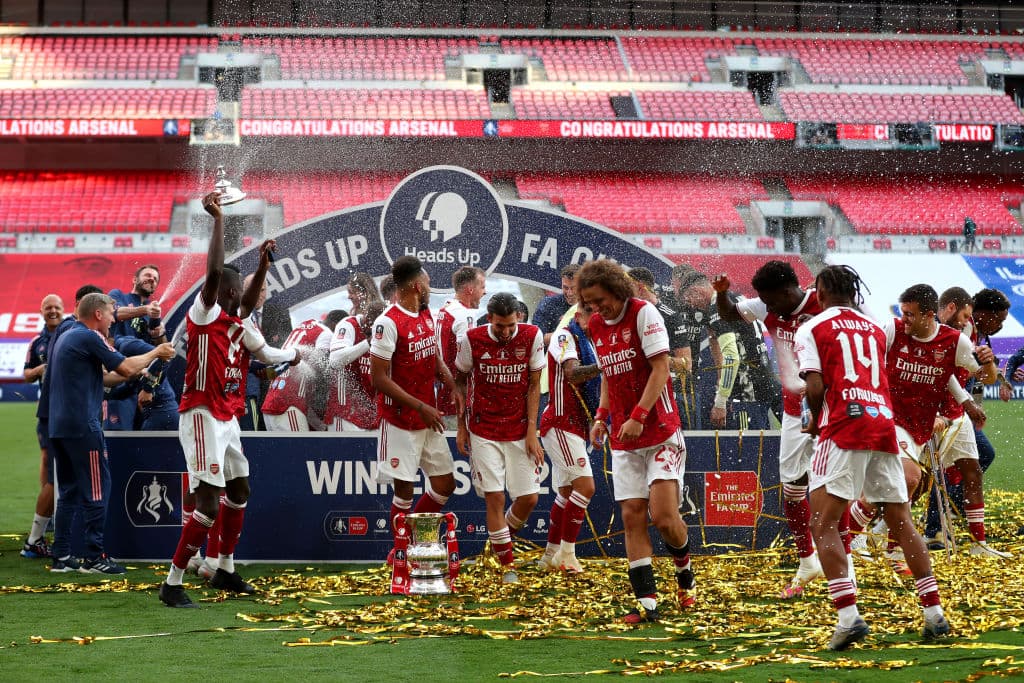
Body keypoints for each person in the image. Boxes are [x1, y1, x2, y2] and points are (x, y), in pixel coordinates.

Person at [794, 265, 949, 650]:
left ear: (822, 292)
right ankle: (934, 612)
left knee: (823, 522)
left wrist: (814, 420)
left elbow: (815, 384)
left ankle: (848, 617)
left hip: (843, 426)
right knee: (901, 521)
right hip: (883, 423)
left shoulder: (811, 328)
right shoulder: (876, 326)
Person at [159, 192, 299, 608]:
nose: (243, 296)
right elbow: (215, 269)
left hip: (227, 417)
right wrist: (218, 219)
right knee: (206, 503)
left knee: (240, 490)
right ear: (224, 290)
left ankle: (225, 568)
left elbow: (267, 345)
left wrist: (261, 265)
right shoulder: (204, 315)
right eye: (235, 290)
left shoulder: (240, 324)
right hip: (201, 415)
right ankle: (173, 582)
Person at [846, 284, 1003, 568]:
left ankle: (866, 541)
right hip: (890, 417)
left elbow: (986, 377)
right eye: (902, 312)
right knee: (908, 477)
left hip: (923, 423)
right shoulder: (891, 330)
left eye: (910, 314)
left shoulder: (954, 342)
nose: (903, 318)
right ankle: (854, 540)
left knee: (895, 484)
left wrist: (989, 366)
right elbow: (863, 360)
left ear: (928, 315)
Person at [577, 260, 693, 623]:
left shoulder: (644, 314)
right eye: (590, 303)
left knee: (663, 516)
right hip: (624, 435)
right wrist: (601, 416)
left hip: (659, 430)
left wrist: (638, 416)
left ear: (616, 288)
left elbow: (661, 369)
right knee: (631, 516)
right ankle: (647, 604)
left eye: (600, 300)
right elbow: (610, 375)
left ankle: (684, 573)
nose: (597, 308)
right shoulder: (596, 325)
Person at [714, 260, 825, 598]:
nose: (766, 307)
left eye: (770, 300)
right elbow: (732, 314)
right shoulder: (767, 302)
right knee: (792, 487)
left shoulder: (824, 305)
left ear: (789, 290)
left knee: (831, 486)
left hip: (831, 409)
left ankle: (843, 563)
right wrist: (721, 295)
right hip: (794, 410)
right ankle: (808, 560)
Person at [48, 292, 175, 573]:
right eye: (110, 314)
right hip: (84, 426)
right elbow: (126, 365)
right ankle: (94, 557)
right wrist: (156, 352)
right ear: (97, 315)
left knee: (68, 491)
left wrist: (137, 375)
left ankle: (61, 555)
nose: (112, 321)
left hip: (60, 427)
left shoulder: (70, 335)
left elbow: (108, 377)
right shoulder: (90, 337)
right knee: (97, 489)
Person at [370, 256, 463, 561]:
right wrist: (421, 405)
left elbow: (433, 358)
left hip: (427, 417)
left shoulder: (426, 315)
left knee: (445, 483)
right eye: (426, 280)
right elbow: (379, 379)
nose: (428, 285)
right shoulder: (387, 322)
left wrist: (452, 385)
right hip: (400, 421)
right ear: (415, 285)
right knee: (404, 492)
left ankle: (409, 546)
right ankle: (399, 555)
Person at [455, 292, 545, 583]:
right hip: (483, 429)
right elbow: (459, 380)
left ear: (518, 316)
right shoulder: (472, 339)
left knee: (529, 498)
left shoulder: (532, 336)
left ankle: (497, 545)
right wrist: (460, 426)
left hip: (520, 429)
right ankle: (508, 567)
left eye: (510, 325)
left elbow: (534, 387)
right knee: (494, 497)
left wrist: (533, 431)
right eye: (499, 326)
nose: (506, 332)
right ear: (490, 319)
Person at [922, 288, 1009, 555]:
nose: (1001, 325)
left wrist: (991, 377)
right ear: (981, 314)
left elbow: (985, 375)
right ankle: (935, 524)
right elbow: (955, 372)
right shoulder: (964, 331)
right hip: (941, 411)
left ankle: (945, 522)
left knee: (969, 464)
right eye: (999, 319)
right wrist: (968, 403)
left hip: (955, 409)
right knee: (922, 474)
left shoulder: (978, 335)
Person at [538, 301, 602, 573]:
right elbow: (573, 374)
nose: (596, 320)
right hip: (561, 422)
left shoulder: (591, 340)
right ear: (578, 315)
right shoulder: (565, 335)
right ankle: (566, 554)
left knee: (566, 492)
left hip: (576, 425)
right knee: (585, 487)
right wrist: (605, 367)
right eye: (591, 314)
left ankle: (550, 555)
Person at [677, 269, 781, 427]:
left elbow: (732, 357)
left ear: (695, 291)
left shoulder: (717, 307)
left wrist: (720, 402)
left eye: (689, 299)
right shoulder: (730, 296)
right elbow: (717, 340)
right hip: (766, 380)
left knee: (750, 448)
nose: (692, 305)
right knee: (777, 442)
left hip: (748, 392)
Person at [20, 293, 65, 559]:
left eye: (56, 307)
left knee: (55, 472)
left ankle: (47, 524)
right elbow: (26, 374)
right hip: (49, 415)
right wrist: (41, 370)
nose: (52, 311)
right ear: (41, 311)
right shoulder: (36, 343)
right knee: (50, 471)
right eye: (47, 307)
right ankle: (37, 535)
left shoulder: (71, 333)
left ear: (64, 310)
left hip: (67, 414)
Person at [262, 316, 334, 432]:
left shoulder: (301, 327)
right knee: (300, 449)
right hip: (289, 405)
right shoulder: (327, 334)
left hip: (274, 400)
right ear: (335, 326)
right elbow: (322, 369)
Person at [239, 272, 291, 431]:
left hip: (274, 383)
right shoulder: (237, 314)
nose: (258, 294)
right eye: (253, 289)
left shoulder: (279, 312)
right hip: (247, 386)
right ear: (243, 290)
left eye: (262, 290)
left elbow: (287, 345)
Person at [437, 266, 486, 429]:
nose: (484, 292)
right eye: (482, 287)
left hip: (443, 395)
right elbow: (468, 357)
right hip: (459, 398)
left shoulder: (446, 308)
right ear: (470, 289)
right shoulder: (466, 315)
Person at [327, 301, 386, 432]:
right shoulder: (348, 325)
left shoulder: (385, 332)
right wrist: (368, 343)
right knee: (347, 453)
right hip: (345, 412)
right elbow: (335, 360)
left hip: (370, 414)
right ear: (367, 320)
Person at [533, 264, 580, 346]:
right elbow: (536, 338)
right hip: (554, 357)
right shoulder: (548, 304)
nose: (569, 293)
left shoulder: (592, 305)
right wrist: (568, 332)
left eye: (573, 288)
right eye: (565, 288)